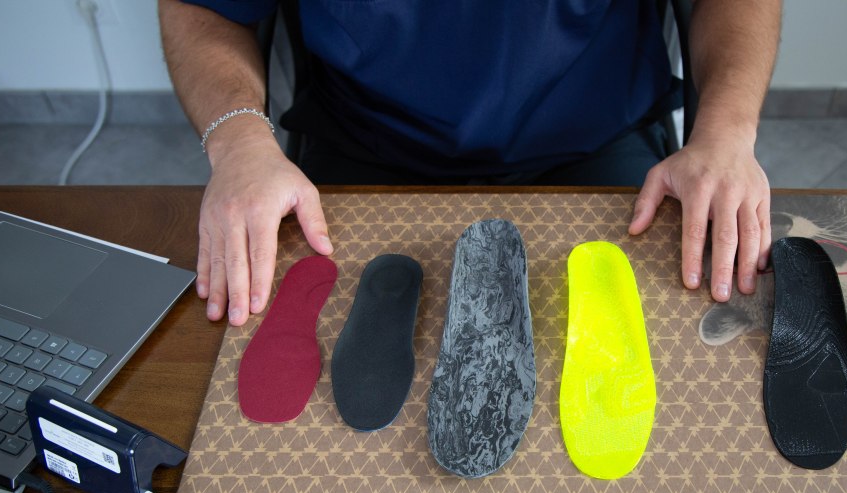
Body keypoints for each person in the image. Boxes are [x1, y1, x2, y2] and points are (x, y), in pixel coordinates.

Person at [158, 0, 782, 326]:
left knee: (668, 347)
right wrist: (238, 143)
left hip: (595, 134)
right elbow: (203, 6)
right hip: (365, 142)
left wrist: (726, 133)